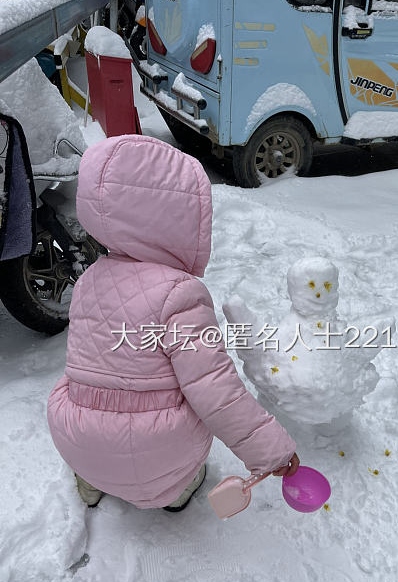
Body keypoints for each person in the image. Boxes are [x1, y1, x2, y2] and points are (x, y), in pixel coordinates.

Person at [47, 135, 299, 511]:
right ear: (179, 220)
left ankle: (94, 478)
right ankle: (177, 489)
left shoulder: (88, 281)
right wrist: (271, 450)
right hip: (156, 453)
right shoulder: (180, 294)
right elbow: (216, 392)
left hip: (78, 440)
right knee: (180, 426)